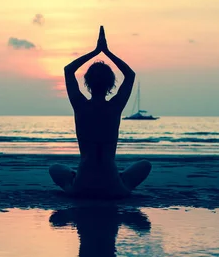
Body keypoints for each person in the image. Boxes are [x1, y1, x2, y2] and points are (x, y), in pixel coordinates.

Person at [49, 26, 152, 198]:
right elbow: (130, 75)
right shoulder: (115, 106)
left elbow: (68, 70)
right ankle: (119, 181)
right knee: (145, 164)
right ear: (111, 85)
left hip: (83, 184)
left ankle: (72, 185)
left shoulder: (80, 105)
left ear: (87, 83)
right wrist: (106, 52)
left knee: (55, 168)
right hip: (112, 185)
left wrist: (95, 51)